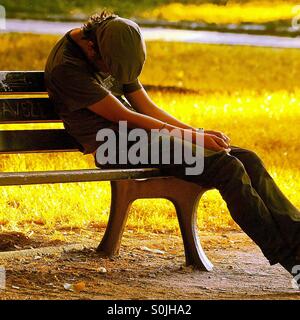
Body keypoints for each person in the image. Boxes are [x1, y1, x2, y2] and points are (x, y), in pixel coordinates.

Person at [45, 11, 300, 281]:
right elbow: (126, 116)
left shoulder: (115, 43)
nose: (113, 75)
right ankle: (290, 259)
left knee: (247, 158)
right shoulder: (67, 67)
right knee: (227, 168)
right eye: (110, 70)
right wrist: (193, 138)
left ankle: (297, 239)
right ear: (93, 48)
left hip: (141, 137)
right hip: (112, 146)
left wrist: (195, 132)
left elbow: (145, 106)